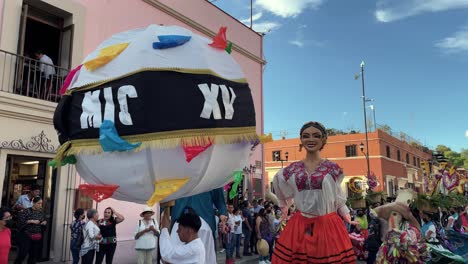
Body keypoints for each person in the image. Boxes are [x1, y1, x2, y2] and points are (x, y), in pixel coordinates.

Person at [272, 121, 358, 263]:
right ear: (301, 139)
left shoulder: (333, 168)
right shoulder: (290, 170)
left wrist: (347, 216)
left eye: (316, 136)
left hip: (327, 225)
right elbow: (278, 184)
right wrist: (284, 208)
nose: (310, 140)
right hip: (300, 224)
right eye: (306, 136)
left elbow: (338, 196)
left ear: (323, 139)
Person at [14, 196, 47, 264]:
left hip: (36, 236)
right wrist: (31, 221)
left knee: (33, 256)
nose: (40, 205)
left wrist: (44, 222)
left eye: (41, 203)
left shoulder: (40, 212)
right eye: (38, 203)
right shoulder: (26, 211)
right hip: (26, 236)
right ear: (33, 203)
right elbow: (20, 223)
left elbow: (43, 221)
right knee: (22, 254)